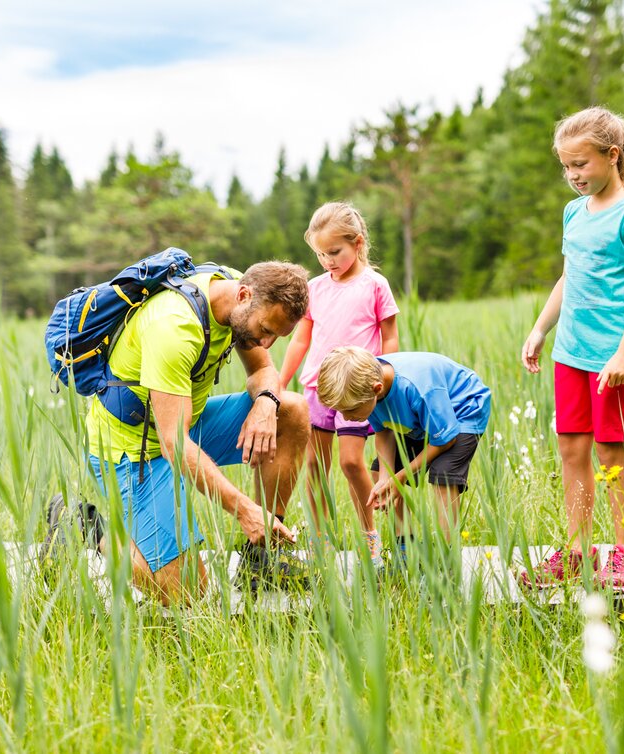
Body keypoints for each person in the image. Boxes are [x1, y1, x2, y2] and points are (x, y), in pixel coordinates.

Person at [81, 261, 313, 606]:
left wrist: (266, 401)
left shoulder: (237, 294)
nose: (267, 341)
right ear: (245, 295)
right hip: (133, 450)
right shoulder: (174, 328)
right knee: (187, 594)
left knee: (290, 410)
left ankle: (259, 557)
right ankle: (88, 530)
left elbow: (263, 368)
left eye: (278, 336)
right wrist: (244, 509)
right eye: (266, 329)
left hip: (185, 424)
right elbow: (174, 445)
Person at [517, 106, 624, 593]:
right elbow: (570, 275)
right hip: (571, 354)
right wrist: (541, 328)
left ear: (612, 155)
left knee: (610, 454)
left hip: (613, 360)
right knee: (572, 448)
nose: (572, 176)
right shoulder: (574, 213)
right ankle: (577, 554)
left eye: (581, 164)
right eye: (566, 166)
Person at [279, 202, 399, 568]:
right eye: (320, 254)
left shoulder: (375, 285)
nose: (328, 260)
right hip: (317, 388)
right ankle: (320, 542)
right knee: (315, 466)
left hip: (357, 390)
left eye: (335, 252)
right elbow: (301, 339)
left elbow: (390, 337)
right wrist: (279, 384)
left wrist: (385, 374)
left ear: (358, 243)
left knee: (351, 463)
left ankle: (370, 537)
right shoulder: (314, 288)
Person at [315, 346, 491, 556]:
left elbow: (445, 440)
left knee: (443, 474)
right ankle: (406, 548)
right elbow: (384, 432)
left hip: (462, 410)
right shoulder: (366, 387)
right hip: (423, 419)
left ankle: (447, 558)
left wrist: (399, 478)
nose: (346, 417)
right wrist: (385, 478)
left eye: (350, 410)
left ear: (377, 389)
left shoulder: (418, 387)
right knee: (381, 473)